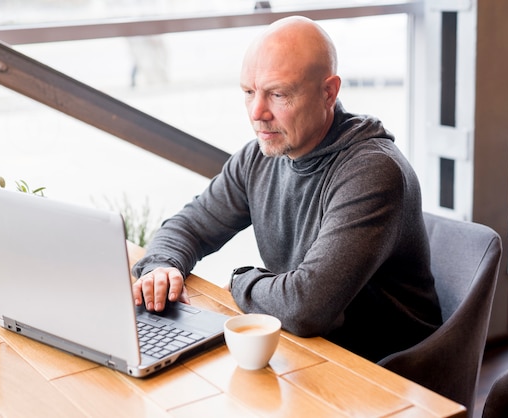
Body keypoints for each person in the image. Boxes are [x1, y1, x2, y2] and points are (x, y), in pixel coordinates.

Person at [131, 15, 442, 362]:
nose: (257, 112)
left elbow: (306, 306)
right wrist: (162, 266)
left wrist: (239, 281)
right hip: (306, 351)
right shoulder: (259, 158)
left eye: (278, 94)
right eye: (249, 92)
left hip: (383, 371)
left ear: (329, 92)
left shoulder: (373, 172)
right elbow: (189, 225)